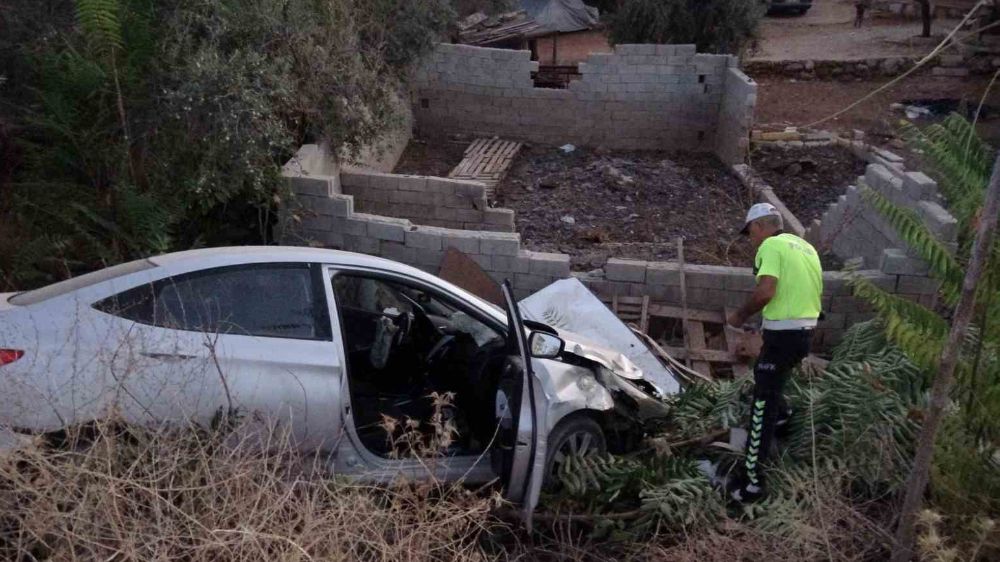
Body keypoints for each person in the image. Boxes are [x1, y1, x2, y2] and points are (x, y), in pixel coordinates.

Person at [726, 203, 823, 503]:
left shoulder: (770, 246)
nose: (751, 239)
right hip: (804, 333)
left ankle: (752, 484)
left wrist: (740, 316)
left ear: (759, 227)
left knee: (761, 406)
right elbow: (797, 292)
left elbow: (766, 291)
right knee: (768, 374)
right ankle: (784, 416)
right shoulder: (805, 248)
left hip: (785, 335)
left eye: (750, 233)